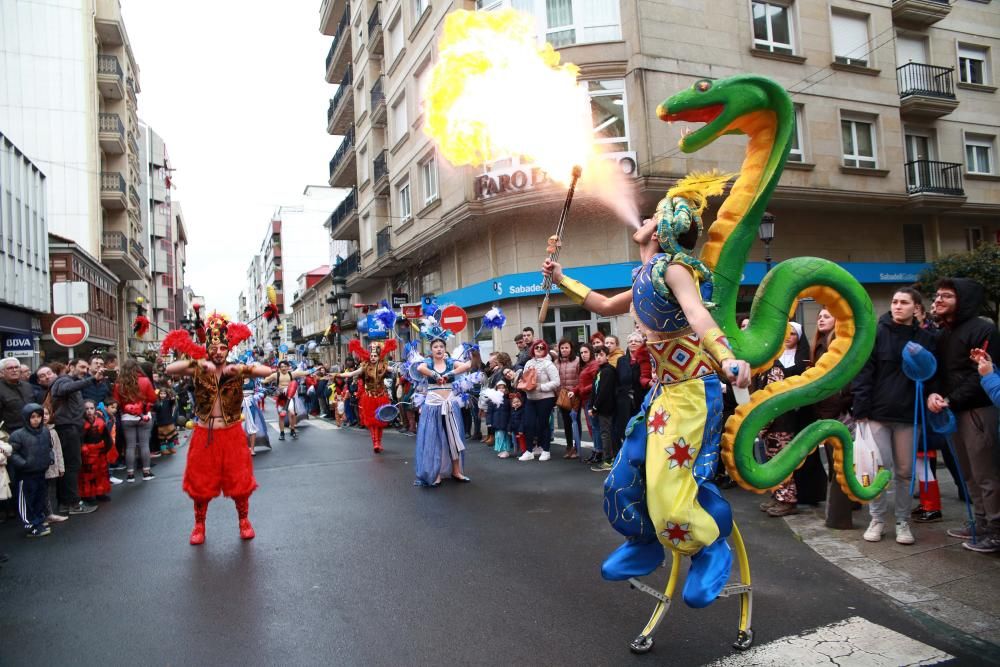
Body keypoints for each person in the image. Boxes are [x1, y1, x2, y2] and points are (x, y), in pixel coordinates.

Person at [541, 174, 752, 608]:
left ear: (663, 230)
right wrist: (562, 278)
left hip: (693, 393)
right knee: (620, 481)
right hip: (662, 396)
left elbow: (699, 317)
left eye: (654, 214)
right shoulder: (645, 275)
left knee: (669, 493)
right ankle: (644, 541)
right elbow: (601, 305)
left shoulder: (675, 270)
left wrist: (728, 358)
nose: (645, 216)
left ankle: (710, 548)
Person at [163, 311, 272, 545]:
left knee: (240, 482)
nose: (218, 352)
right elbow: (170, 369)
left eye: (222, 348)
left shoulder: (236, 369)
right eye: (214, 349)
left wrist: (242, 369)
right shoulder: (198, 368)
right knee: (200, 484)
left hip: (232, 432)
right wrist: (197, 363)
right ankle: (199, 525)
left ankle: (244, 521)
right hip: (205, 433)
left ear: (227, 349)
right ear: (208, 349)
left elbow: (268, 371)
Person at [851, 289, 937, 543]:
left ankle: (903, 521)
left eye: (904, 302)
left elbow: (932, 374)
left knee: (905, 472)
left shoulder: (926, 338)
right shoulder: (876, 333)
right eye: (895, 302)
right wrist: (860, 410)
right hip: (877, 414)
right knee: (879, 471)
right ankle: (877, 519)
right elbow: (864, 372)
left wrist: (934, 396)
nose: (898, 306)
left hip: (910, 415)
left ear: (916, 307)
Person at [927, 279, 1000, 553]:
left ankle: (996, 530)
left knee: (986, 474)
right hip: (954, 412)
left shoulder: (984, 329)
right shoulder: (944, 333)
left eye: (947, 295)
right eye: (938, 295)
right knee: (968, 473)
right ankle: (980, 524)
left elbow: (978, 373)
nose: (939, 299)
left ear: (964, 300)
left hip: (978, 411)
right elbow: (938, 372)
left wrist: (949, 399)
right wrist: (934, 395)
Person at [756, 322, 818, 517]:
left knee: (781, 461)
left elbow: (772, 397)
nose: (788, 337)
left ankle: (787, 500)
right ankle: (778, 496)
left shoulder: (777, 367)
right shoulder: (772, 363)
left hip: (781, 422)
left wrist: (763, 425)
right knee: (773, 461)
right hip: (776, 421)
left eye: (792, 334)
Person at [414, 323, 476, 486]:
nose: (439, 349)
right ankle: (435, 473)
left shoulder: (450, 362)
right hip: (433, 406)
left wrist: (451, 373)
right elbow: (420, 368)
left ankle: (456, 471)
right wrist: (435, 374)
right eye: (436, 347)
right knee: (433, 439)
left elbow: (468, 365)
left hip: (449, 404)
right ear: (431, 349)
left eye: (441, 346)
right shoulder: (427, 362)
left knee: (453, 438)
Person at [41, 359, 102, 515]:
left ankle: (65, 504)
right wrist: (91, 379)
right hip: (67, 429)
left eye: (86, 368)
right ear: (70, 367)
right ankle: (73, 504)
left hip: (69, 428)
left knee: (68, 467)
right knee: (71, 467)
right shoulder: (64, 380)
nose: (84, 370)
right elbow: (65, 389)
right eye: (81, 367)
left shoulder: (68, 381)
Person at [334, 338, 397, 454]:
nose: (373, 357)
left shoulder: (384, 366)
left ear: (379, 356)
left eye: (375, 356)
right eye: (371, 355)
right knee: (372, 422)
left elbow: (395, 369)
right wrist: (338, 374)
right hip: (369, 398)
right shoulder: (365, 366)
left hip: (381, 397)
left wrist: (406, 369)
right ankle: (375, 443)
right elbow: (352, 373)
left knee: (381, 421)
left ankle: (379, 441)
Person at [9, 403, 53, 537]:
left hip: (40, 470)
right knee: (28, 500)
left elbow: (49, 447)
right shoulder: (18, 435)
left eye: (39, 416)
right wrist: (23, 464)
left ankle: (38, 520)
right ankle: (30, 525)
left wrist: (49, 458)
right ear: (26, 418)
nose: (36, 420)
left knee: (39, 498)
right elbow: (12, 453)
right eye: (32, 417)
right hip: (25, 474)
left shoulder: (45, 431)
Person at [112, 359, 158, 483]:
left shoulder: (119, 384)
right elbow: (153, 398)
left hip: (126, 417)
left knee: (130, 447)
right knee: (144, 445)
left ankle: (130, 474)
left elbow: (116, 402)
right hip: (144, 416)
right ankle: (146, 472)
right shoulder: (145, 380)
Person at [517, 339, 560, 462]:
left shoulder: (549, 364)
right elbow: (525, 379)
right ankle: (529, 451)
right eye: (537, 347)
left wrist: (541, 387)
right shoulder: (528, 363)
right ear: (533, 349)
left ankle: (546, 450)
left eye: (541, 347)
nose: (539, 349)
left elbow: (556, 382)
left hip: (545, 398)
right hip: (530, 397)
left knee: (543, 424)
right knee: (528, 424)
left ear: (545, 350)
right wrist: (523, 384)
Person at [570, 343, 601, 464]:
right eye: (581, 353)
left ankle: (599, 451)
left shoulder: (594, 365)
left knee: (595, 427)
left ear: (591, 352)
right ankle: (596, 450)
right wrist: (575, 390)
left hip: (591, 399)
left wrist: (581, 390)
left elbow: (596, 383)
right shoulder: (586, 366)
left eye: (586, 352)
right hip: (586, 399)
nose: (583, 355)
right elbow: (582, 384)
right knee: (592, 427)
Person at [79, 400, 114, 503]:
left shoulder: (100, 421)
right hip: (87, 453)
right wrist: (82, 448)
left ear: (95, 409)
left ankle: (100, 492)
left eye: (91, 408)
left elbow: (107, 437)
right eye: (86, 409)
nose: (89, 411)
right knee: (87, 474)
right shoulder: (80, 423)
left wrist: (108, 450)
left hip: (100, 451)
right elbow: (79, 439)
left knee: (101, 472)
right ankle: (87, 495)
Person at [263, 361, 309, 441]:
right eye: (282, 367)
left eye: (285, 366)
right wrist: (261, 381)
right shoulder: (275, 375)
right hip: (281, 397)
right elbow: (266, 380)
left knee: (292, 413)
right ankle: (282, 433)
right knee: (282, 415)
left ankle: (292, 430)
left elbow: (304, 372)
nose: (283, 368)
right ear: (279, 368)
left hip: (290, 396)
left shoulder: (292, 374)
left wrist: (315, 369)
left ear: (288, 367)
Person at [589, 346, 617, 472]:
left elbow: (604, 391)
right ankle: (608, 458)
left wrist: (595, 407)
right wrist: (591, 405)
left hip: (606, 408)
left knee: (606, 434)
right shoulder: (600, 370)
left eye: (601, 355)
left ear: (607, 356)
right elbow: (594, 390)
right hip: (600, 408)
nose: (598, 358)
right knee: (604, 432)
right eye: (596, 355)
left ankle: (608, 460)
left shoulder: (609, 371)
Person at [555, 339, 581, 459]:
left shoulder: (577, 361)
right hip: (562, 396)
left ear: (571, 348)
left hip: (575, 394)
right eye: (562, 348)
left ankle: (577, 446)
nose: (564, 350)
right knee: (566, 423)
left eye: (566, 347)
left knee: (575, 421)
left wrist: (575, 391)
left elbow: (581, 378)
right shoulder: (556, 362)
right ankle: (569, 446)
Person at [0, 357, 34, 432]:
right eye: (10, 368)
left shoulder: (27, 386)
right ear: (2, 372)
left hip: (31, 429)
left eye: (16, 367)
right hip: (9, 432)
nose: (14, 370)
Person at [489, 380, 514, 458]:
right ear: (496, 389)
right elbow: (489, 412)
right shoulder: (492, 401)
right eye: (499, 388)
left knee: (505, 436)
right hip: (496, 421)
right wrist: (489, 421)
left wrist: (510, 423)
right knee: (499, 436)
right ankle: (502, 450)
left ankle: (506, 451)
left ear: (506, 389)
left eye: (503, 388)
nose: (501, 389)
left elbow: (510, 412)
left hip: (505, 421)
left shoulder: (508, 400)